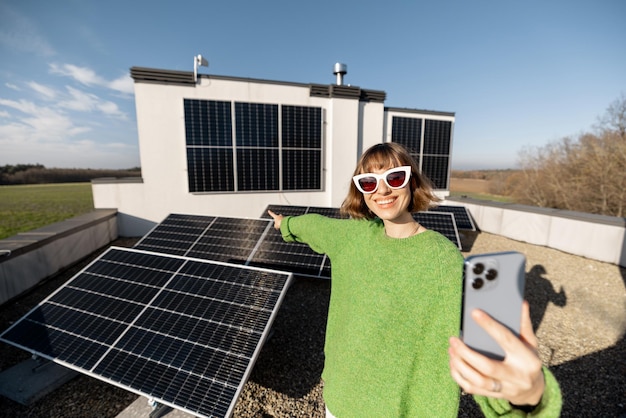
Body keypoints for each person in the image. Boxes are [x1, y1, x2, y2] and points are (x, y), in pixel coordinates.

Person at [268, 143, 561, 417]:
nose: (382, 190)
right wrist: (286, 224)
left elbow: (482, 351)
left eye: (394, 178)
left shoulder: (443, 260)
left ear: (412, 182)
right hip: (339, 400)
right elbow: (315, 226)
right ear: (361, 192)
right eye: (369, 182)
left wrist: (529, 396)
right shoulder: (351, 237)